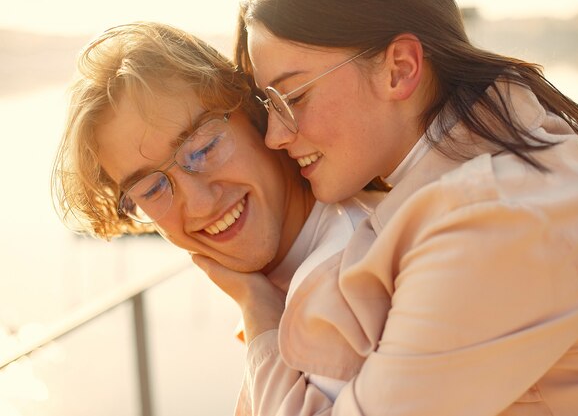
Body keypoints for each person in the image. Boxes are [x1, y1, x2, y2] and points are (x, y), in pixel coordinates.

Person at [193, 0, 578, 414]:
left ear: (399, 69)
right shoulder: (514, 151)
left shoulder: (493, 227)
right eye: (269, 104)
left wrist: (261, 318)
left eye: (294, 98)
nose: (275, 136)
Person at [52, 21, 383, 399]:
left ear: (256, 114)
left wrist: (257, 311)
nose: (201, 203)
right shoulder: (298, 274)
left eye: (205, 148)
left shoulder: (345, 275)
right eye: (152, 188)